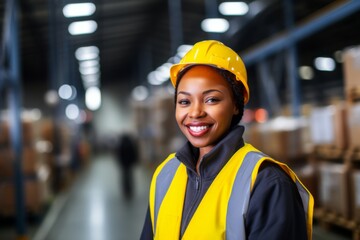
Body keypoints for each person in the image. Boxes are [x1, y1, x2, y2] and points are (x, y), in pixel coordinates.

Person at [140, 40, 313, 239]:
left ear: (236, 105)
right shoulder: (165, 174)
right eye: (184, 101)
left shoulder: (267, 183)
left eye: (211, 99)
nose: (195, 112)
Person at [116, 133, 138, 199]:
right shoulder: (131, 144)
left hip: (123, 164)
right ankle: (130, 190)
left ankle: (125, 190)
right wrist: (134, 161)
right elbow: (134, 154)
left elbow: (119, 155)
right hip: (129, 164)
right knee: (130, 176)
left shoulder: (121, 145)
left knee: (124, 177)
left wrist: (120, 162)